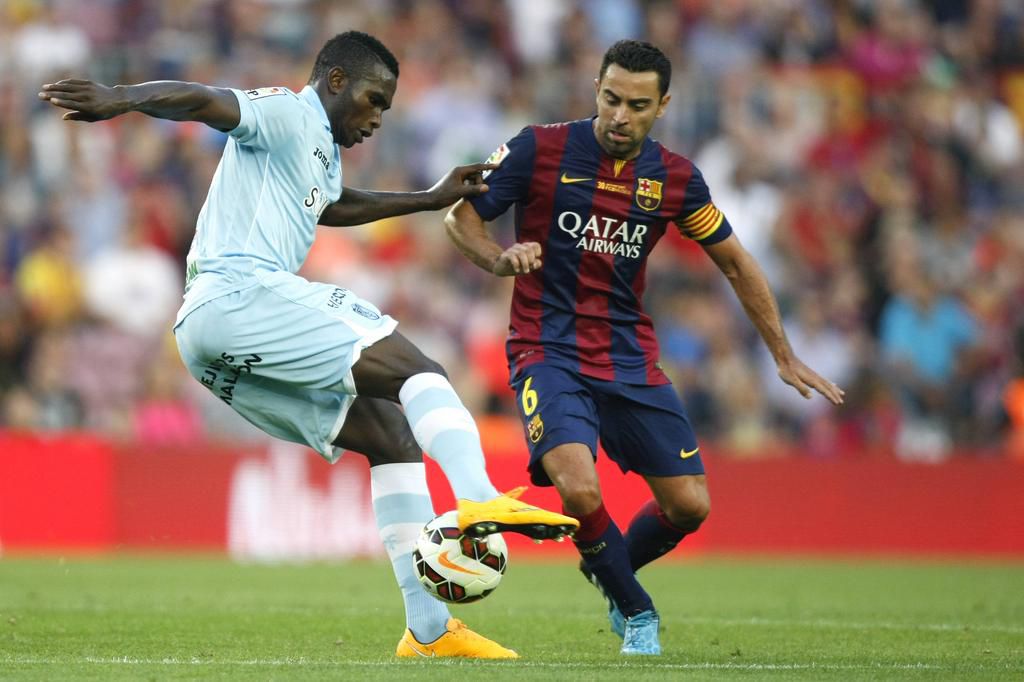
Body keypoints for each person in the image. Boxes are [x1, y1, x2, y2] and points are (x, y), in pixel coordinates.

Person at [40, 30, 578, 660]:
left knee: (390, 436)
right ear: (338, 81)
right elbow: (205, 100)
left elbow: (334, 205)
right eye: (374, 100)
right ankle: (479, 497)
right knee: (418, 367)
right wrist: (120, 97)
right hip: (239, 295)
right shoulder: (287, 112)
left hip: (208, 341)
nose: (378, 117)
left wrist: (429, 199)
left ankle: (430, 632)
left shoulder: (318, 148)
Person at [445, 39, 845, 656]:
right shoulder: (538, 147)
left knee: (689, 506)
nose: (619, 115)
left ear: (662, 106)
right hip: (544, 348)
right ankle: (638, 612)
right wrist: (499, 259)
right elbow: (461, 220)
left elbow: (737, 264)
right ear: (596, 91)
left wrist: (783, 355)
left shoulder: (677, 178)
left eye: (636, 104)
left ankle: (610, 569)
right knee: (580, 492)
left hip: (628, 357)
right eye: (610, 99)